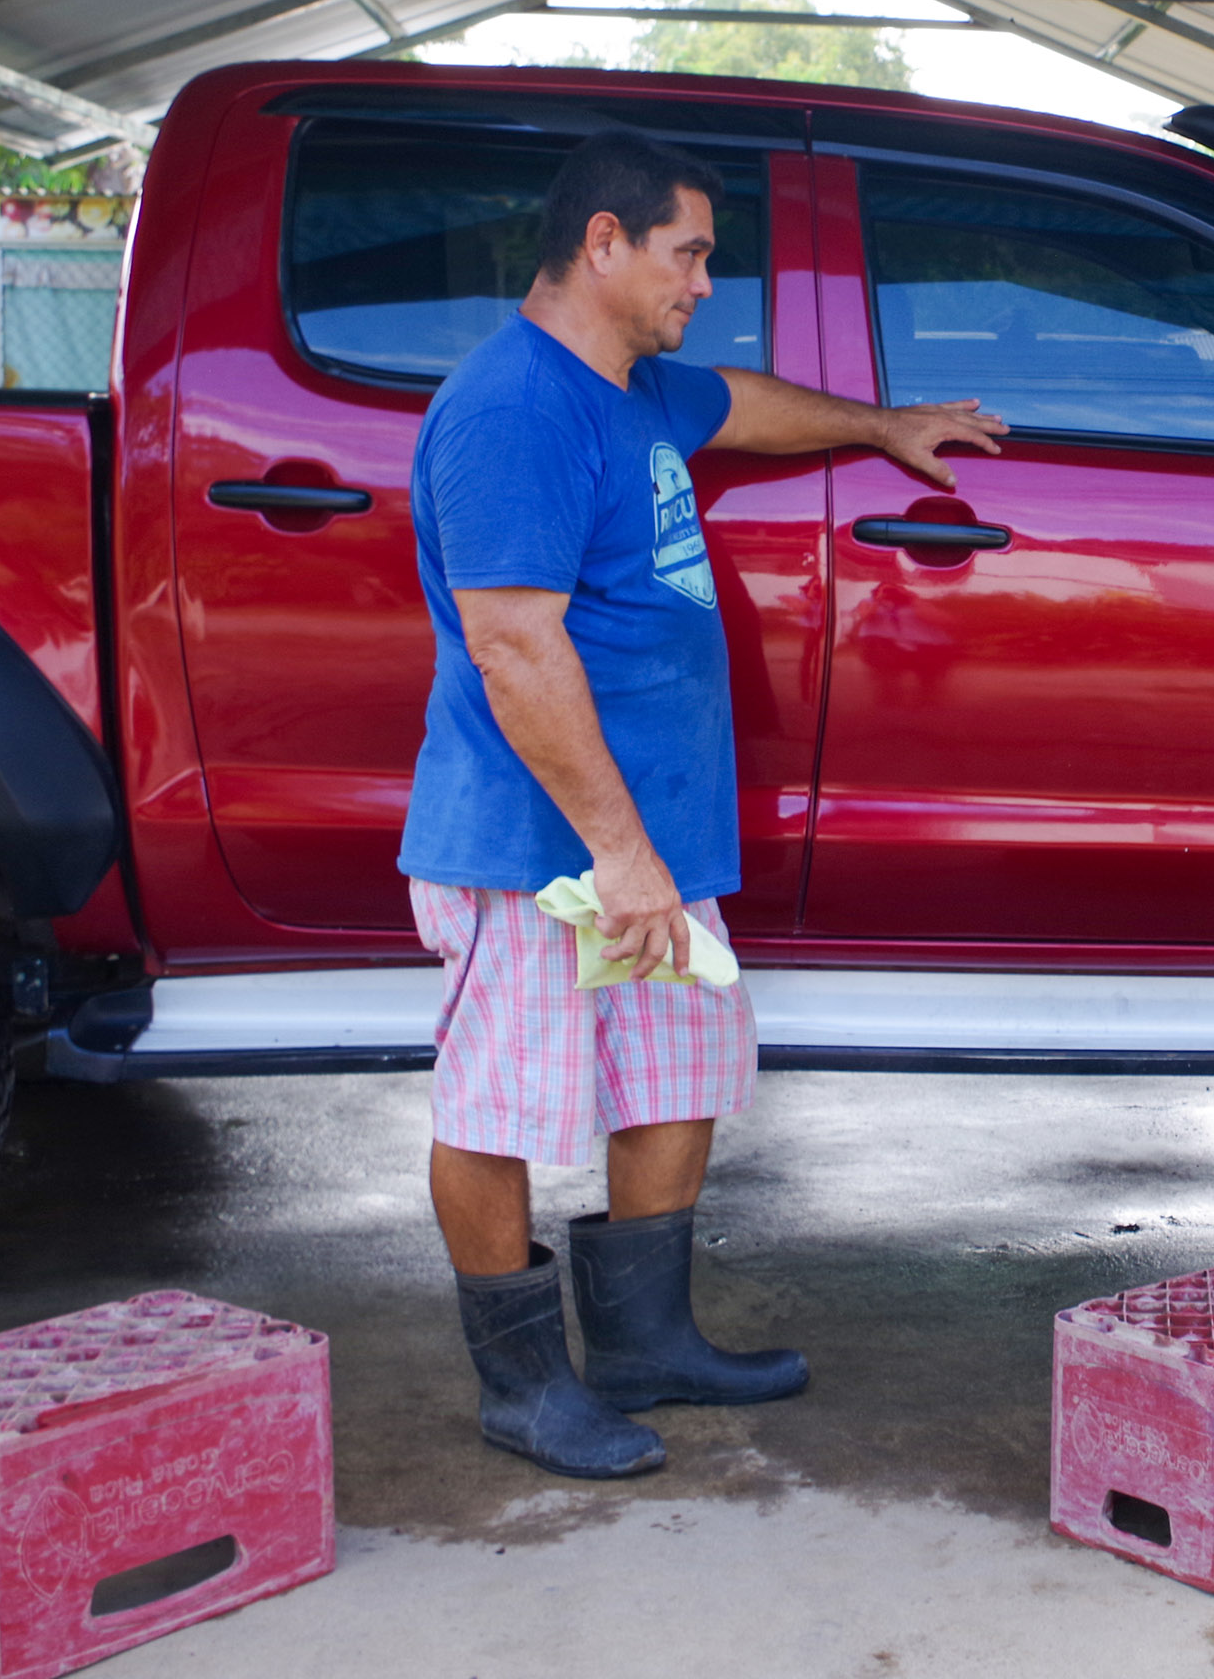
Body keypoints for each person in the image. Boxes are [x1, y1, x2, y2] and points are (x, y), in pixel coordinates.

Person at [403, 129, 1002, 1478]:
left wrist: (880, 424)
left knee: (675, 1074)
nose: (705, 282)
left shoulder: (628, 388)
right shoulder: (516, 409)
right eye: (690, 254)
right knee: (499, 1106)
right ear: (603, 245)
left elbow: (737, 402)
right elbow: (515, 647)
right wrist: (619, 853)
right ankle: (519, 1388)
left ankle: (644, 1342)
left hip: (646, 841)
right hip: (540, 846)